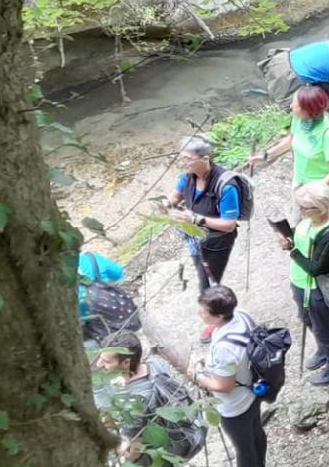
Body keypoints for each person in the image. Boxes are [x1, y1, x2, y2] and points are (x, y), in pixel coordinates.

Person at [166, 135, 244, 341]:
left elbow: (229, 225)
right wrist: (166, 205)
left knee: (208, 282)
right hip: (194, 239)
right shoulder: (187, 177)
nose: (184, 163)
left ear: (205, 158)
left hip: (218, 243)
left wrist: (195, 219)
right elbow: (175, 196)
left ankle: (217, 319)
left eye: (188, 158)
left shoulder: (225, 186)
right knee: (203, 275)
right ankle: (215, 313)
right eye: (182, 158)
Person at [94, 331, 206, 466]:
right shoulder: (155, 363)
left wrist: (114, 448)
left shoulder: (133, 403)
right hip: (191, 428)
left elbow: (133, 452)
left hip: (172, 449)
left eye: (106, 362)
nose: (99, 364)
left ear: (126, 363)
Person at [280, 182, 329, 386]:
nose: (299, 210)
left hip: (316, 289)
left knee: (324, 329)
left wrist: (292, 251)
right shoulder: (310, 219)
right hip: (300, 283)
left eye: (304, 207)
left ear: (319, 208)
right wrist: (287, 234)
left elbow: (316, 268)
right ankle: (323, 350)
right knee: (306, 319)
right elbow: (300, 233)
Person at [190, 286, 266, 467]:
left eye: (203, 311)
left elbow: (225, 386)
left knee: (244, 449)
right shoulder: (240, 315)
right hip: (253, 390)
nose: (199, 313)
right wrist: (208, 360)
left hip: (235, 407)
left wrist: (197, 375)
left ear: (219, 316)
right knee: (256, 433)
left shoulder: (225, 349)